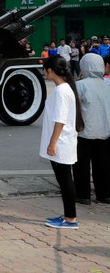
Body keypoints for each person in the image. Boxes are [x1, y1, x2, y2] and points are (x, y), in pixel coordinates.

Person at [40, 55, 84, 229]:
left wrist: (52, 143)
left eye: (44, 69)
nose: (44, 72)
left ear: (50, 71)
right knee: (64, 179)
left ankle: (71, 218)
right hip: (63, 141)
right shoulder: (65, 89)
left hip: (61, 142)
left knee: (65, 180)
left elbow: (60, 120)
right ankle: (68, 215)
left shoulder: (61, 91)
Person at [73, 53, 110, 205]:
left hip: (84, 131)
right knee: (103, 164)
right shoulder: (106, 86)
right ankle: (104, 194)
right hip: (104, 131)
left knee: (82, 164)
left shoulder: (80, 85)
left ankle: (83, 195)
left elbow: (75, 108)